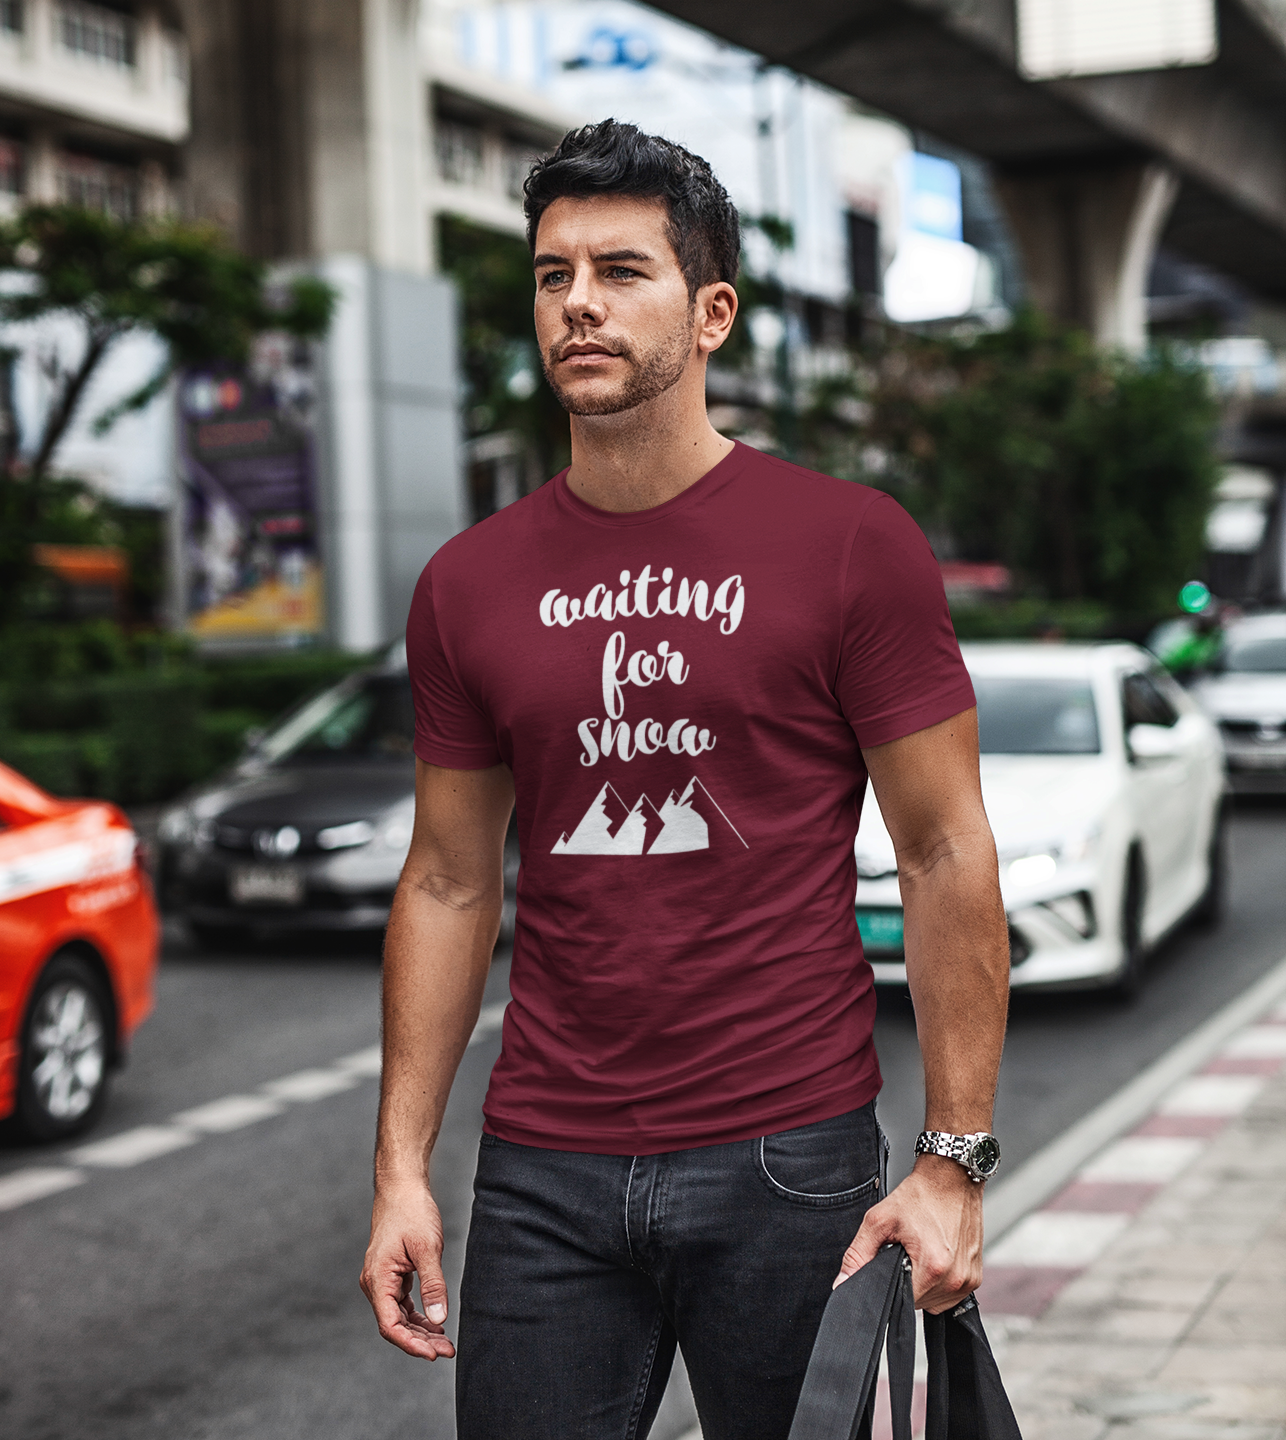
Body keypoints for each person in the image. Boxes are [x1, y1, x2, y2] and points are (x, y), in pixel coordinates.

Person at [360, 119, 1010, 1440]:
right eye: (552, 276)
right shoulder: (467, 584)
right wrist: (401, 1172)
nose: (579, 304)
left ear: (712, 312)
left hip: (790, 1157)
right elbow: (443, 880)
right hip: (544, 1163)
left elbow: (944, 849)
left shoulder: (846, 545)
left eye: (620, 270)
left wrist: (952, 1161)